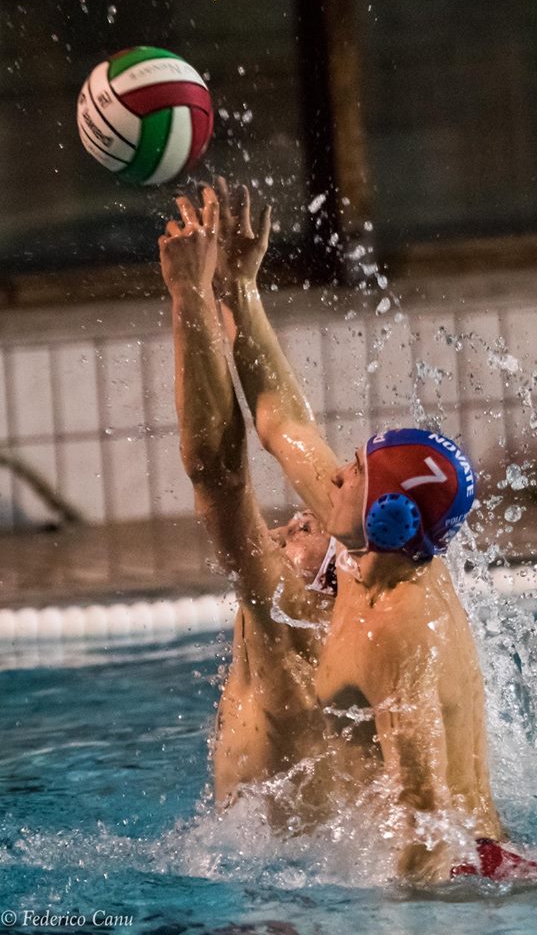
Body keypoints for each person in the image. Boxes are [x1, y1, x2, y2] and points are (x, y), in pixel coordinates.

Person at [208, 179, 537, 884]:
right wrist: (240, 289)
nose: (334, 475)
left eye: (355, 474)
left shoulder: (400, 626)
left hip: (472, 875)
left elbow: (428, 822)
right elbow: (282, 423)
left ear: (387, 515)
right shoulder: (381, 546)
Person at [158, 185, 336, 827]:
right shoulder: (381, 595)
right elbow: (289, 426)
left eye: (307, 529)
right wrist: (238, 287)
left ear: (332, 574)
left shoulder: (290, 616)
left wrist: (190, 295)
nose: (292, 521)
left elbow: (218, 477)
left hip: (268, 887)